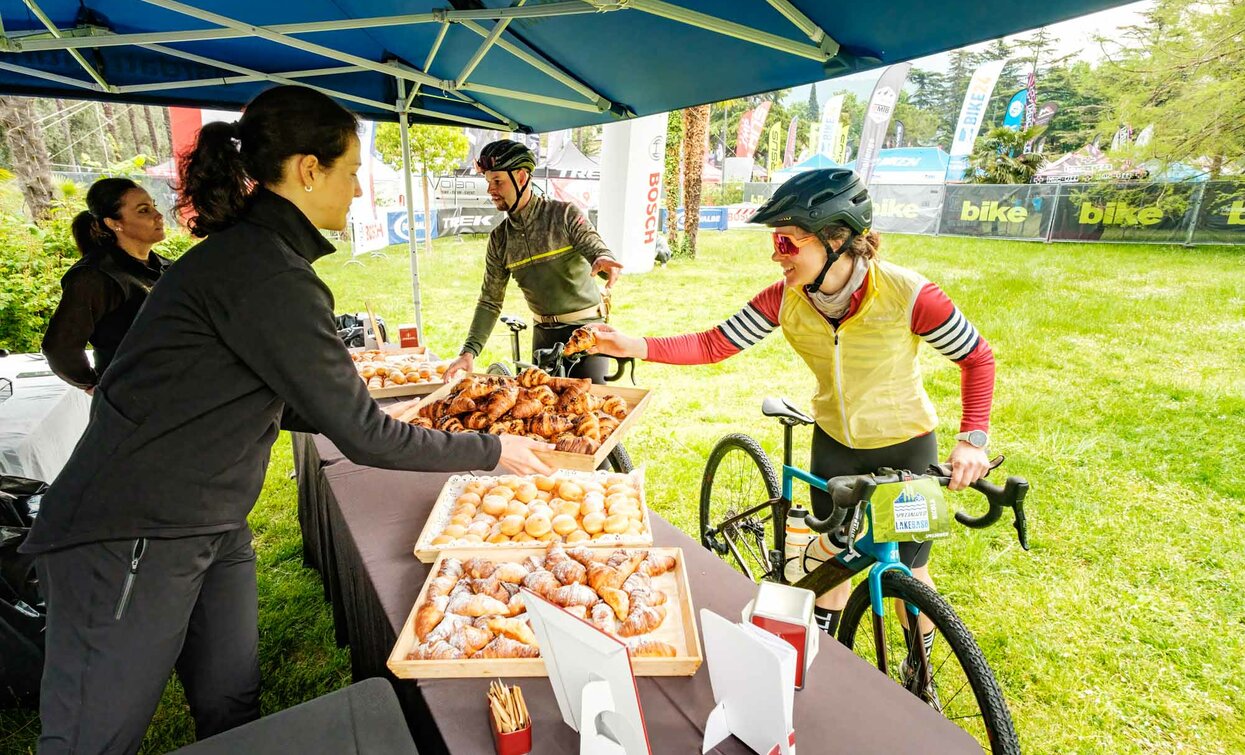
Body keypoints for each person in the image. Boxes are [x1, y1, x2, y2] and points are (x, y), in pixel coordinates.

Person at [20, 86, 552, 755]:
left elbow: (281, 395)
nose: (357, 191)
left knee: (233, 704)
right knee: (93, 737)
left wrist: (382, 408)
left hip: (210, 518)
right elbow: (361, 437)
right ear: (307, 169)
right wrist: (490, 447)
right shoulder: (263, 268)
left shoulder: (260, 258)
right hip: (129, 528)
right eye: (352, 171)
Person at [585, 169, 995, 644]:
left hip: (907, 447)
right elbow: (715, 343)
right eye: (775, 243)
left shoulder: (909, 295)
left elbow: (977, 357)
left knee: (911, 575)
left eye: (787, 243)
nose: (777, 256)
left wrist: (972, 439)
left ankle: (918, 671)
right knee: (831, 565)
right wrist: (632, 345)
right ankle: (820, 654)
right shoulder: (786, 298)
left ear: (836, 239)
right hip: (835, 445)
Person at [443, 140, 623, 383]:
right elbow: (490, 301)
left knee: (592, 412)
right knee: (544, 413)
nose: (491, 190)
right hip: (543, 338)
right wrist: (469, 351)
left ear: (520, 177)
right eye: (488, 182)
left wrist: (603, 257)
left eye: (497, 181)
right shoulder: (499, 238)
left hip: (586, 332)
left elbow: (591, 243)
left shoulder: (564, 214)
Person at [41, 178, 169, 392]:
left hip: (177, 396)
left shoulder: (166, 267)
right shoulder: (95, 276)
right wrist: (93, 385)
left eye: (153, 206)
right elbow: (60, 348)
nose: (158, 215)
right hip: (132, 403)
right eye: (143, 210)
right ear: (113, 223)